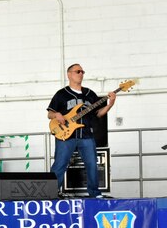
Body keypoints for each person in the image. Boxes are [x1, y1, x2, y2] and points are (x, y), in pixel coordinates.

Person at [48, 64, 116, 198]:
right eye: (77, 71)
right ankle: (52, 192)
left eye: (82, 72)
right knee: (60, 163)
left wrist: (111, 104)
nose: (81, 74)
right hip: (65, 135)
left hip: (86, 135)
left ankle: (94, 193)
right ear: (69, 74)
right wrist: (57, 115)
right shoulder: (61, 94)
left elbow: (99, 114)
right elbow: (50, 114)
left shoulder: (90, 94)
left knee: (92, 164)